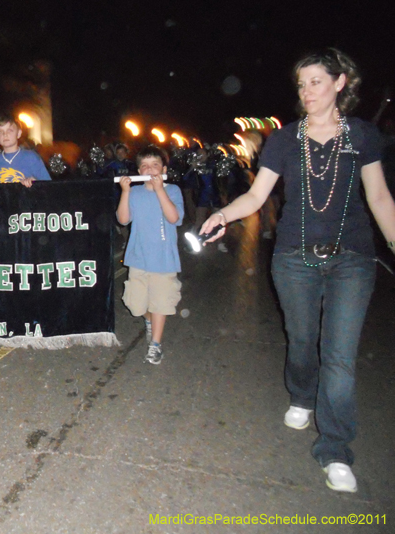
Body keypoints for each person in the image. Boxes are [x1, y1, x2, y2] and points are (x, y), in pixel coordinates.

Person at [200, 48, 395, 493]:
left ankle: (335, 449)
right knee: (303, 341)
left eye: (316, 82)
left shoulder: (362, 136)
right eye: (302, 84)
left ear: (340, 83)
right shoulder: (285, 140)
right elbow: (256, 196)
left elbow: (380, 197)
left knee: (339, 357)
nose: (307, 91)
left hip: (352, 257)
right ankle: (302, 394)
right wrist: (223, 215)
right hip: (294, 257)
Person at [116, 145, 184, 365]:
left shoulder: (172, 190)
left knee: (161, 303)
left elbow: (174, 218)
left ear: (164, 169)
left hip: (164, 260)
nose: (150, 169)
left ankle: (155, 345)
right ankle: (149, 321)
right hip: (138, 258)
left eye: (155, 165)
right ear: (139, 171)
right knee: (136, 306)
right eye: (144, 166)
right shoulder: (135, 192)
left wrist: (160, 190)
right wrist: (125, 192)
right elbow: (123, 219)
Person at [0, 117, 51, 189]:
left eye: (10, 130)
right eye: (0, 132)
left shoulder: (31, 157)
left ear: (18, 133)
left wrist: (35, 182)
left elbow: (49, 186)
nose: (5, 134)